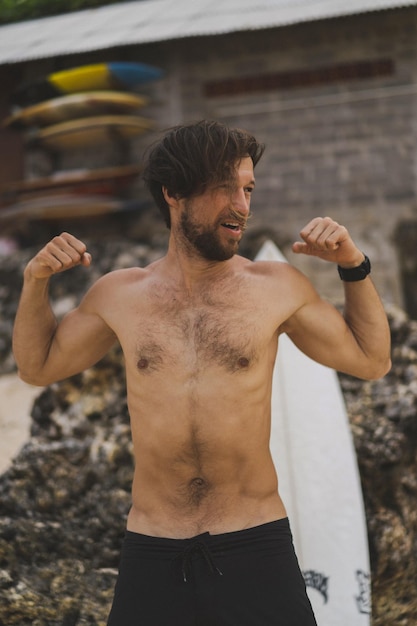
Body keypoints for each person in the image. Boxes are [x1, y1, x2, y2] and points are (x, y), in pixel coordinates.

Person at [12, 120, 391, 626]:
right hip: (153, 547)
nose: (243, 205)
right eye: (224, 187)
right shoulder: (118, 294)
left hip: (255, 542)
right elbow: (37, 367)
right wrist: (35, 282)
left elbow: (372, 361)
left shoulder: (277, 286)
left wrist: (354, 265)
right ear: (173, 192)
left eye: (248, 188)